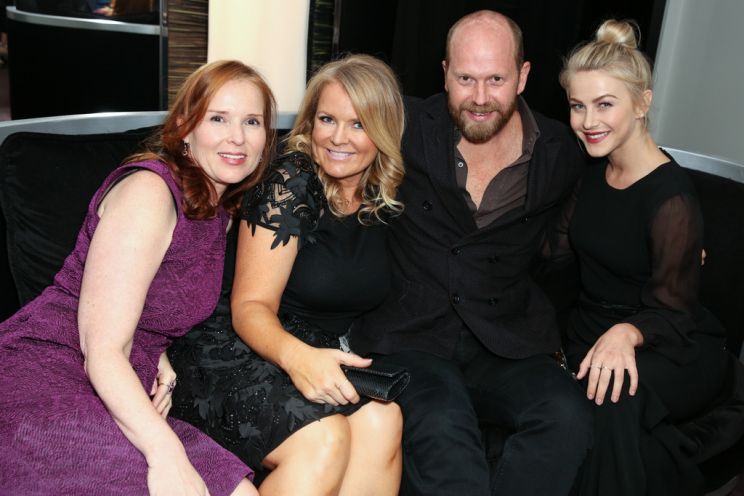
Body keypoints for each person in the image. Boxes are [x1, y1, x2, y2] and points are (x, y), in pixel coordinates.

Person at [0, 59, 276, 495]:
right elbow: (102, 347)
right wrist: (167, 454)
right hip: (47, 376)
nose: (237, 137)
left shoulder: (217, 211)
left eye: (252, 121)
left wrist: (156, 350)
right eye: (218, 118)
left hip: (120, 381)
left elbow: (148, 297)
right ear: (185, 127)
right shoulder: (150, 192)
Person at [350, 9, 592, 496]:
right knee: (445, 434)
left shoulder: (561, 149)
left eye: (496, 79)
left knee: (566, 415)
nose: (480, 98)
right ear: (444, 73)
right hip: (412, 336)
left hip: (505, 338)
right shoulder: (404, 125)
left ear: (523, 75)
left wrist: (674, 221)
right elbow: (329, 132)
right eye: (465, 79)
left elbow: (626, 158)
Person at [169, 53, 406, 495]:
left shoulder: (380, 195)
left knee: (383, 419)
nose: (339, 137)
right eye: (327, 119)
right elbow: (250, 306)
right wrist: (300, 359)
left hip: (310, 347)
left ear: (383, 129)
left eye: (358, 124)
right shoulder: (291, 180)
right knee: (324, 438)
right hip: (233, 343)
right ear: (310, 121)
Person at [556, 19, 731, 496]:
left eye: (604, 104)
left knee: (613, 398)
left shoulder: (671, 198)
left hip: (669, 344)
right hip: (594, 335)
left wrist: (627, 333)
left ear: (642, 103)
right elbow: (553, 254)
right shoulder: (593, 169)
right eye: (577, 106)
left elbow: (674, 313)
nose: (588, 121)